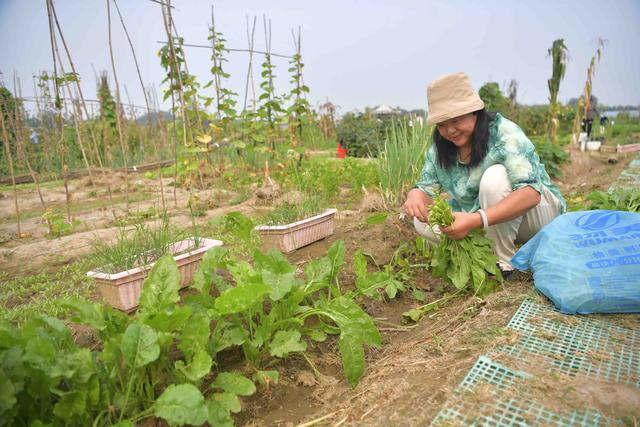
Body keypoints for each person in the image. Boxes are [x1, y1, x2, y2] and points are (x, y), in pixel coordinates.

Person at [403, 72, 566, 277]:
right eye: (442, 124)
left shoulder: (503, 132)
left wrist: (474, 220)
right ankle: (481, 255)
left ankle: (503, 264)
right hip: (488, 221)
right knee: (422, 219)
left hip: (538, 216)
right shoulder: (440, 149)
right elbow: (426, 188)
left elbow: (531, 193)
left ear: (474, 112)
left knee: (494, 178)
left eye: (455, 120)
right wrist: (416, 193)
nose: (450, 130)